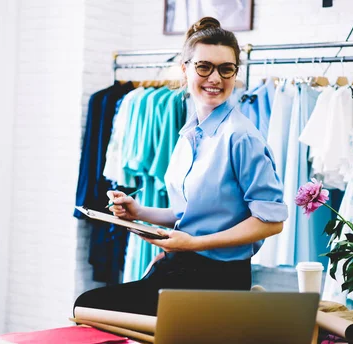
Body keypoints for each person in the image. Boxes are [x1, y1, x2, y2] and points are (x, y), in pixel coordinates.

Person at [74, 16, 287, 316]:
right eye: (204, 67)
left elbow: (270, 221)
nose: (215, 78)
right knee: (88, 307)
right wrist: (138, 212)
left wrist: (193, 243)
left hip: (217, 279)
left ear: (236, 73)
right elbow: (189, 214)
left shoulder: (241, 137)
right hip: (183, 268)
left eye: (226, 69)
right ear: (185, 69)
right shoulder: (191, 133)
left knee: (89, 308)